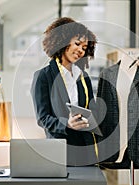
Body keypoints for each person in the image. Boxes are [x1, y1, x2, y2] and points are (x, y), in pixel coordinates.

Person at [30, 17, 98, 166]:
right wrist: (67, 123)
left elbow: (91, 108)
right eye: (78, 44)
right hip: (60, 150)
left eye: (84, 48)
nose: (81, 50)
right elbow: (43, 118)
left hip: (85, 149)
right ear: (63, 41)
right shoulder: (43, 76)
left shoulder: (83, 77)